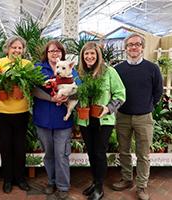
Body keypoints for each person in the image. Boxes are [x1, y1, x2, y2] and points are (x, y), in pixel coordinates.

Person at [112, 33, 163, 200]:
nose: (133, 47)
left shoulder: (152, 68)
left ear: (142, 47)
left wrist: (148, 105)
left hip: (144, 118)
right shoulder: (118, 69)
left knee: (143, 154)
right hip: (123, 116)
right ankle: (127, 179)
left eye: (137, 44)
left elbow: (158, 92)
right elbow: (114, 91)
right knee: (124, 151)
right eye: (130, 45)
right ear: (125, 48)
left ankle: (141, 186)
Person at [32, 40, 80, 200]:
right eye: (51, 51)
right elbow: (34, 90)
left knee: (62, 154)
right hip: (43, 119)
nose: (55, 53)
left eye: (58, 51)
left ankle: (63, 186)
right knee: (49, 154)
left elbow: (79, 90)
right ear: (46, 53)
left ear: (62, 54)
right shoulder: (39, 68)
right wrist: (51, 99)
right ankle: (51, 182)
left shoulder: (72, 71)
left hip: (62, 121)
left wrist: (67, 95)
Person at [78, 42, 126, 200]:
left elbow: (120, 94)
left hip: (103, 120)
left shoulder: (109, 72)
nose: (89, 57)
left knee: (99, 153)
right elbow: (75, 94)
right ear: (82, 57)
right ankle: (94, 181)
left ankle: (99, 187)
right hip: (85, 120)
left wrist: (108, 108)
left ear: (98, 55)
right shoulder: (80, 74)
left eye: (92, 54)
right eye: (86, 54)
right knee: (91, 152)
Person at [0, 36, 31, 193]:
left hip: (21, 111)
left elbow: (31, 84)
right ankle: (7, 179)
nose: (16, 50)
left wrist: (24, 90)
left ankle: (20, 178)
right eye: (14, 47)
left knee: (20, 146)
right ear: (7, 48)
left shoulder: (27, 65)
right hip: (3, 111)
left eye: (20, 48)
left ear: (23, 50)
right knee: (6, 146)